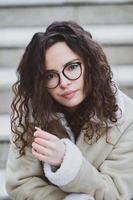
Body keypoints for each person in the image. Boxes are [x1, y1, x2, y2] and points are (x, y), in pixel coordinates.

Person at [6, 21, 133, 200]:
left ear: (90, 65)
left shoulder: (126, 118)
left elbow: (117, 193)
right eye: (50, 75)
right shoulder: (32, 115)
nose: (64, 82)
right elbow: (20, 183)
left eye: (72, 67)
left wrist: (66, 161)